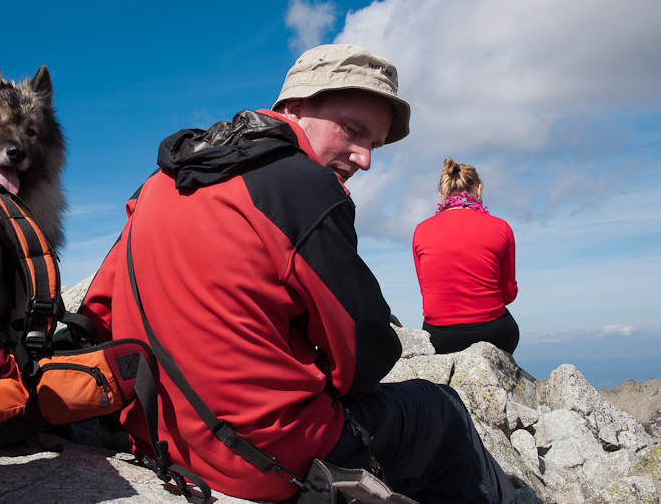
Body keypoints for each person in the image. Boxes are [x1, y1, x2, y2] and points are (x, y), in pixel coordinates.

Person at [79, 44, 520, 503]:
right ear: (293, 107)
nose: (364, 157)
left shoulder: (161, 181)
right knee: (441, 409)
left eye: (374, 142)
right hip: (262, 459)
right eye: (352, 130)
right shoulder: (304, 188)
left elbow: (99, 308)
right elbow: (363, 358)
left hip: (156, 437)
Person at [412, 158, 520, 355]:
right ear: (479, 190)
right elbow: (508, 294)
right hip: (493, 332)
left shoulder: (421, 230)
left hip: (440, 336)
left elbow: (426, 290)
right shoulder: (500, 227)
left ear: (441, 196)